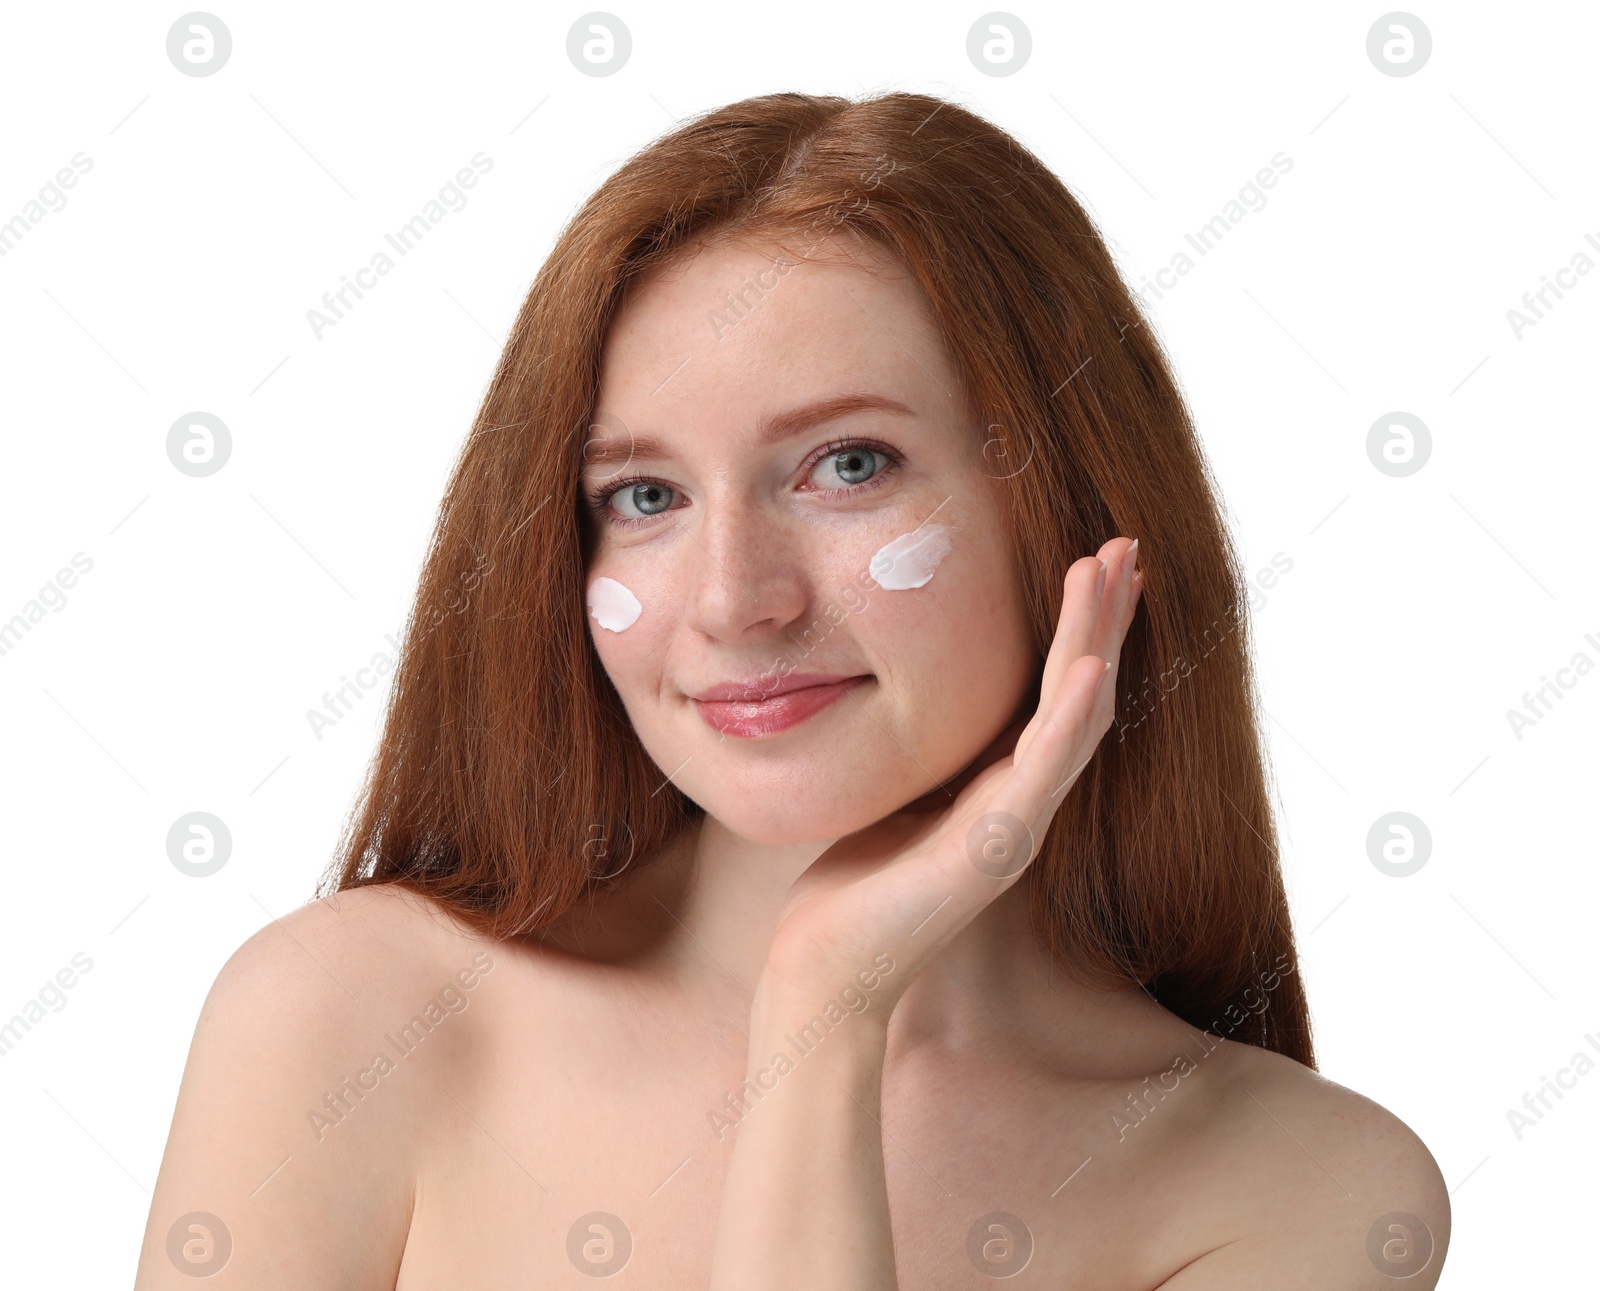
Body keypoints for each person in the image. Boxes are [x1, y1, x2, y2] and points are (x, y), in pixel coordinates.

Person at [135, 91, 1449, 1288]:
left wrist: (823, 1016)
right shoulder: (345, 1022)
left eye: (848, 466)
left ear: (1072, 504)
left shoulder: (1311, 1192)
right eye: (643, 497)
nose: (732, 598)